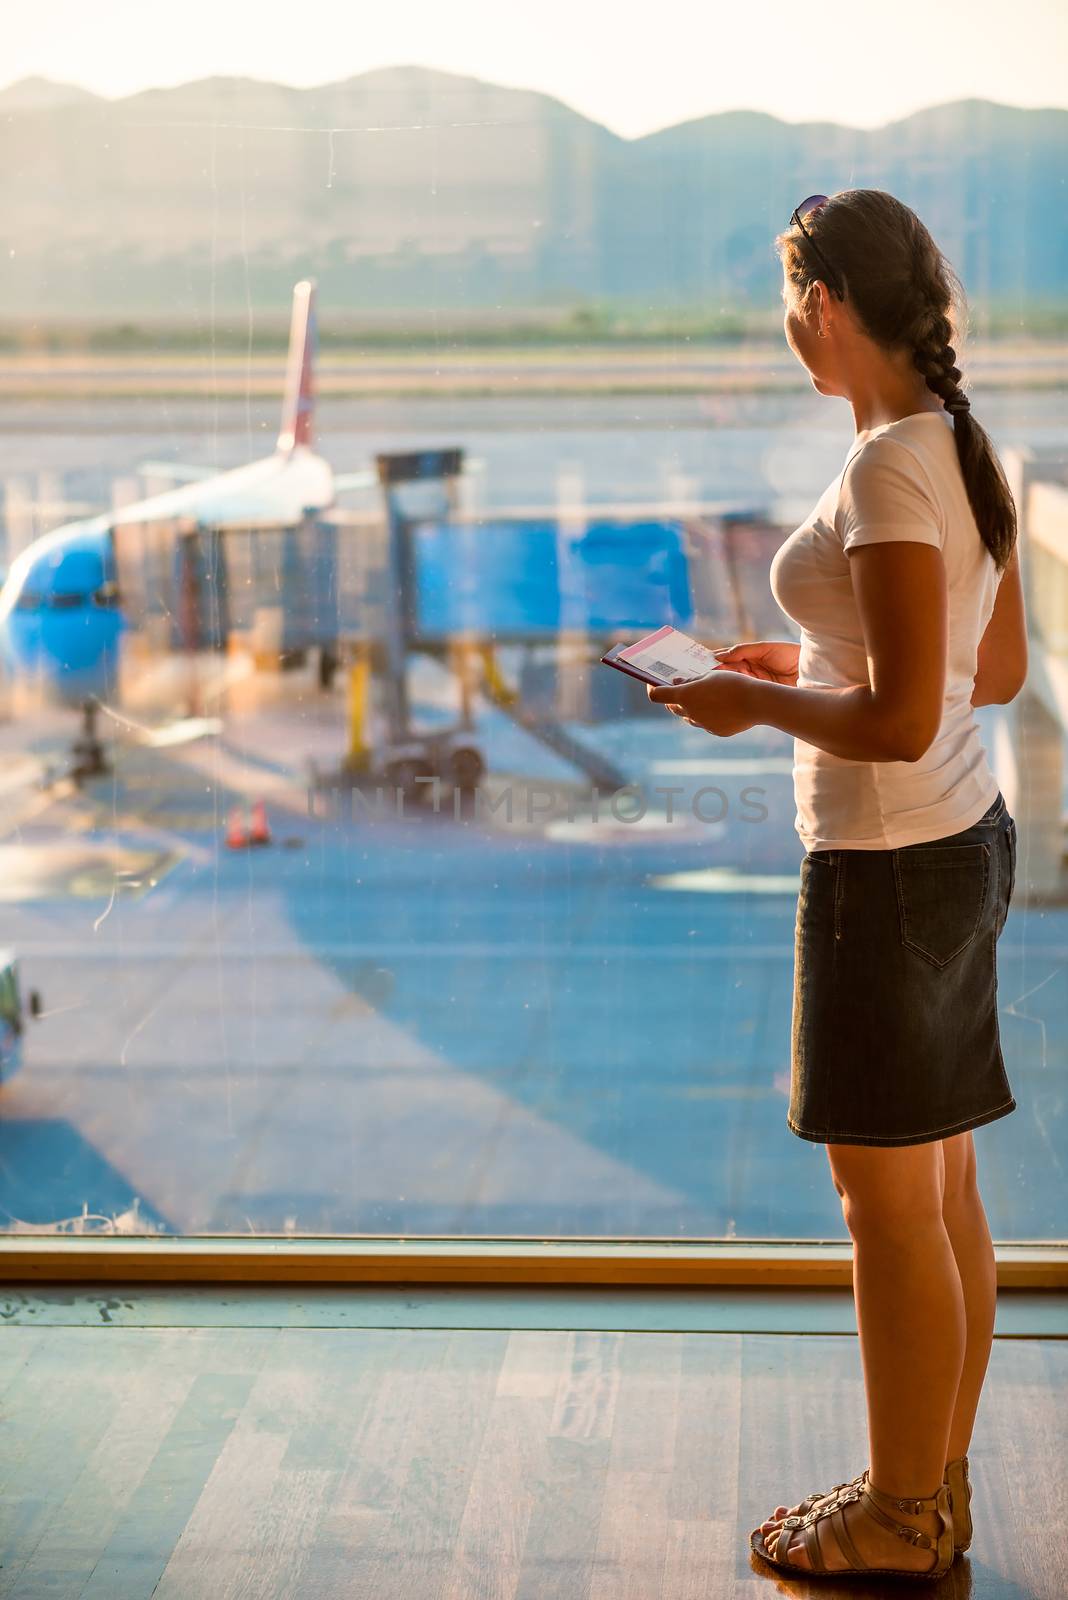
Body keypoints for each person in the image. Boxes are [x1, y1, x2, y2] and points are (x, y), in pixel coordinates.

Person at [648, 188, 1027, 1582]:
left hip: (886, 868)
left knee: (887, 1214)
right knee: (944, 1197)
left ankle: (899, 1515)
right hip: (961, 841)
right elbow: (988, 676)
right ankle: (929, 1484)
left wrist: (757, 712)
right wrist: (793, 662)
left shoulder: (883, 468)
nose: (785, 327)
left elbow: (900, 714)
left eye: (786, 301)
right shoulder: (959, 447)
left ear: (823, 306)